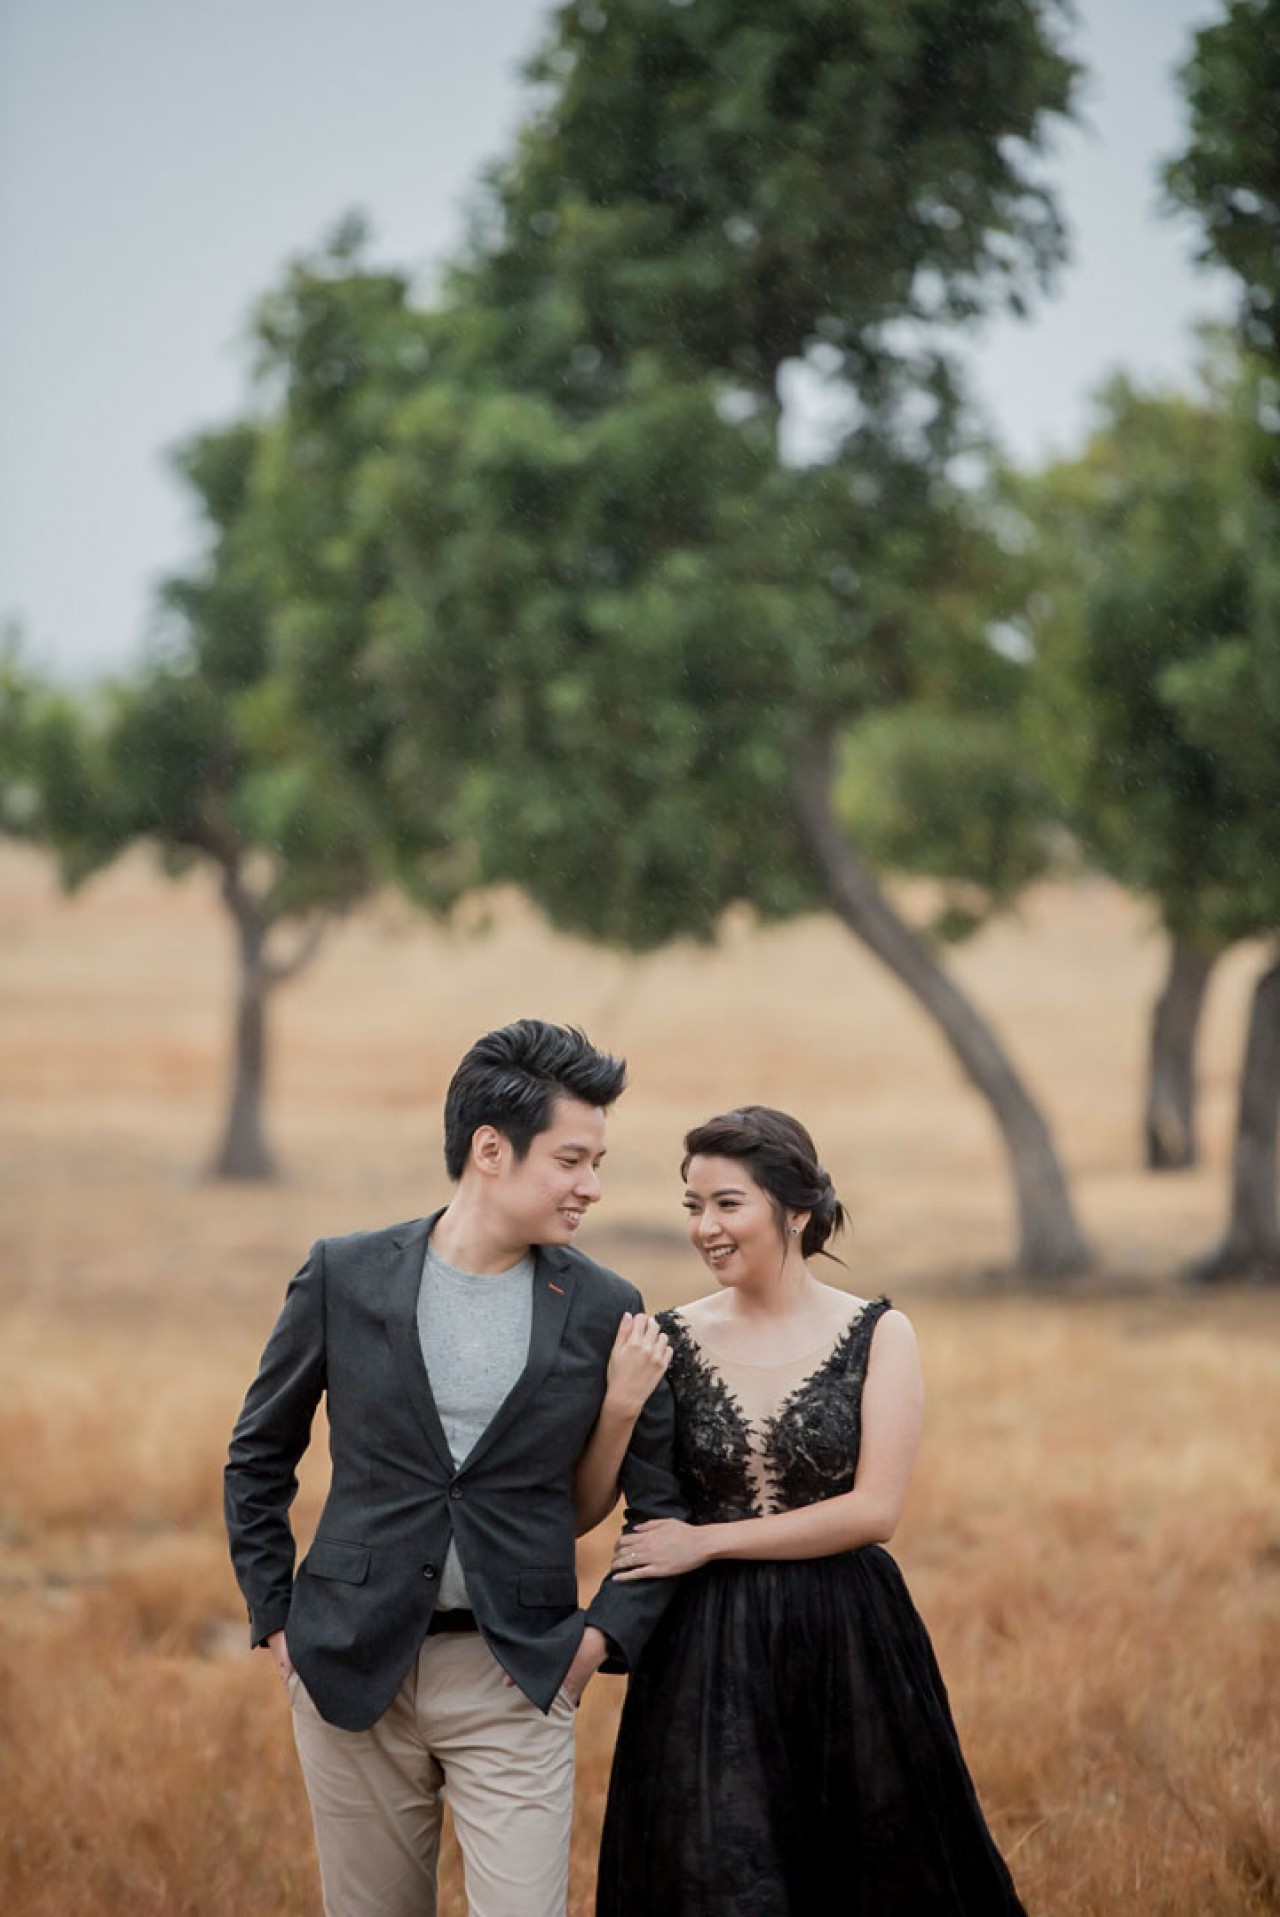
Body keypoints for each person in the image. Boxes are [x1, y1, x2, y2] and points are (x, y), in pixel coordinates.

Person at [224, 1018, 684, 1917]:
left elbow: (660, 1506)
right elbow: (258, 1452)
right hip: (349, 1662)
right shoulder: (345, 1274)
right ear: (490, 1149)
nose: (592, 1186)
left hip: (518, 1669)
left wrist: (596, 1642)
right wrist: (277, 1619)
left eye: (597, 1163)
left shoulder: (605, 1306)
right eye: (571, 1159)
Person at [587, 1105, 1029, 1916]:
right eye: (693, 1205)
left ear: (795, 1210)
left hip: (847, 1635)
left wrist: (705, 1542)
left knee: (873, 1869)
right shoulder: (664, 1341)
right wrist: (617, 1404)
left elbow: (875, 1511)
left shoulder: (879, 1332)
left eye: (727, 1203)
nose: (705, 1227)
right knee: (714, 1869)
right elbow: (594, 1504)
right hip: (704, 1649)